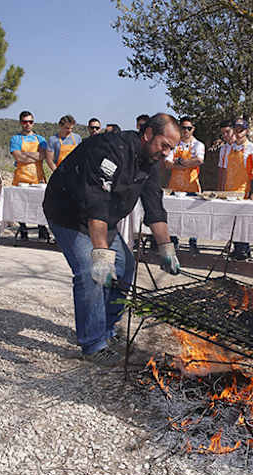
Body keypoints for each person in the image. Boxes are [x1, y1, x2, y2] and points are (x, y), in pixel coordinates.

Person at [42, 113, 182, 367]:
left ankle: (106, 328)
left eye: (171, 149)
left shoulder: (150, 162)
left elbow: (154, 206)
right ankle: (93, 344)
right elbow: (96, 203)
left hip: (104, 220)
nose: (166, 153)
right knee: (90, 271)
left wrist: (166, 247)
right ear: (148, 133)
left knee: (125, 267)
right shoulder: (109, 150)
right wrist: (101, 255)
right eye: (164, 145)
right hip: (69, 215)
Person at [163, 116, 204, 254]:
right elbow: (167, 164)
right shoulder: (174, 144)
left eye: (189, 128)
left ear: (193, 129)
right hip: (175, 186)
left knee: (193, 217)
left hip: (192, 187)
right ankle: (174, 242)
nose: (186, 131)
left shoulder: (198, 145)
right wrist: (186, 163)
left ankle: (193, 243)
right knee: (172, 215)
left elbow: (198, 160)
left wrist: (179, 163)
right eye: (183, 128)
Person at [224, 118, 253, 260]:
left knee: (242, 221)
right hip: (229, 190)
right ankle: (239, 248)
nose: (239, 133)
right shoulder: (230, 147)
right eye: (237, 129)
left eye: (242, 130)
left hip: (242, 191)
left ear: (247, 131)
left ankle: (243, 250)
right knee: (231, 221)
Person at [10, 110, 49, 240]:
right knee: (20, 204)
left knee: (42, 204)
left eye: (30, 122)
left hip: (38, 176)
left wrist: (25, 154)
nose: (28, 124)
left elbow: (43, 155)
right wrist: (34, 156)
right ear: (21, 123)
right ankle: (23, 229)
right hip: (21, 176)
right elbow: (17, 156)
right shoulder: (15, 139)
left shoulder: (41, 139)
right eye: (25, 122)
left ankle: (42, 228)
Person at [217, 119, 234, 192]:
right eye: (223, 133)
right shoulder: (223, 149)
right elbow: (221, 170)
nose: (225, 135)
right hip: (225, 189)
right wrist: (219, 189)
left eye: (227, 132)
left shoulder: (245, 147)